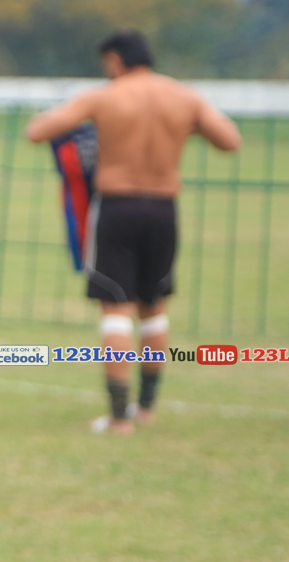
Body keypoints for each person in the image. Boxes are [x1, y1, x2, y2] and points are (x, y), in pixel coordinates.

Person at [26, 29, 241, 435]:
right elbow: (229, 141)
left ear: (115, 60)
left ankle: (118, 417)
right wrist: (186, 128)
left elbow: (38, 131)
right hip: (163, 209)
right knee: (153, 309)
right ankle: (146, 409)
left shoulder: (104, 97)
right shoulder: (184, 97)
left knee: (116, 311)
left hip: (117, 208)